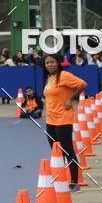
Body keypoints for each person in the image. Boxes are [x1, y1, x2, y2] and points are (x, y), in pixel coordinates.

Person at [42, 53, 86, 191]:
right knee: (56, 152)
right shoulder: (49, 78)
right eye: (47, 62)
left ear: (58, 63)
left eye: (52, 62)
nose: (50, 64)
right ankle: (60, 180)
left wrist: (71, 98)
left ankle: (74, 182)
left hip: (63, 118)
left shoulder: (64, 75)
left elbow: (82, 84)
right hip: (51, 120)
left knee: (67, 150)